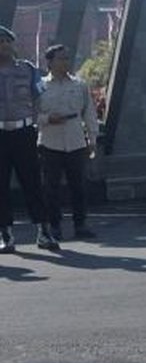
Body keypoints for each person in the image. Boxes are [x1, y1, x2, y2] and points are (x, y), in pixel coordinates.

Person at [0, 25, 58, 252]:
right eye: (0, 41)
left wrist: (38, 120)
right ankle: (6, 233)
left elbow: (41, 97)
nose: (4, 45)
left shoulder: (28, 70)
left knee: (33, 182)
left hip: (24, 133)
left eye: (7, 40)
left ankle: (44, 231)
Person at [37, 44, 99, 240]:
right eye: (60, 58)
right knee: (51, 187)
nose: (65, 62)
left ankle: (80, 224)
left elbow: (89, 113)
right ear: (50, 62)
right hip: (50, 141)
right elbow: (31, 114)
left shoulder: (79, 85)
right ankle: (54, 225)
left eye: (66, 58)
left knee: (78, 186)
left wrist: (92, 137)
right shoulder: (40, 86)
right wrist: (47, 119)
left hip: (75, 139)